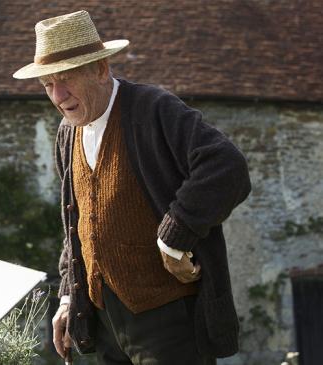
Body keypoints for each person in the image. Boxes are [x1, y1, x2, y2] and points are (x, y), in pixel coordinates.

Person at [13, 10, 251, 365]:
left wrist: (174, 235)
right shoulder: (66, 133)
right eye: (48, 84)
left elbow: (226, 166)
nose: (58, 95)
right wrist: (67, 297)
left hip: (168, 318)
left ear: (100, 69)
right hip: (104, 318)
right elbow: (75, 225)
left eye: (65, 79)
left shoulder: (152, 109)